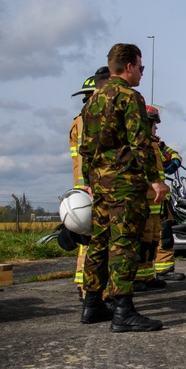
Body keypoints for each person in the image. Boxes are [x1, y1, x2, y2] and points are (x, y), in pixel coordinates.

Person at [79, 44, 169, 332]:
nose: (142, 73)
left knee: (99, 242)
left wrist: (88, 181)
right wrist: (156, 178)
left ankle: (92, 304)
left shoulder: (93, 101)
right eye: (141, 68)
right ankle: (123, 310)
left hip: (100, 183)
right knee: (124, 245)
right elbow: (140, 142)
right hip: (125, 185)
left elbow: (85, 148)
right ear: (128, 66)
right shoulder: (130, 97)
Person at [69, 67, 111, 304]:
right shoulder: (88, 118)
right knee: (94, 239)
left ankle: (85, 284)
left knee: (90, 237)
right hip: (91, 187)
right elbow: (86, 155)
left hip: (88, 185)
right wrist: (88, 187)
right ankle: (90, 290)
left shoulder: (85, 117)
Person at [149, 106, 186, 282]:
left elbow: (173, 154)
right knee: (145, 239)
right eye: (154, 124)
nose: (156, 128)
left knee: (164, 235)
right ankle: (142, 276)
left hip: (160, 201)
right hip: (145, 200)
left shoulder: (157, 145)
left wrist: (175, 161)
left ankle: (163, 269)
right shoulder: (138, 145)